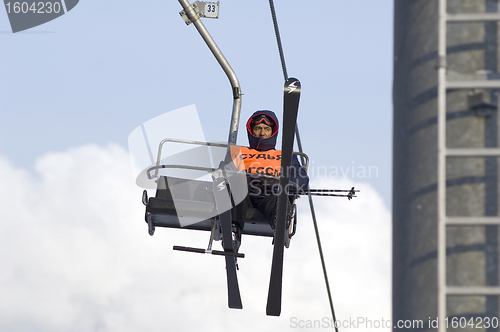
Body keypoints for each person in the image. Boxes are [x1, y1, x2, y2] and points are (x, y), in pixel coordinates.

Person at [228, 110, 309, 251]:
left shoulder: (284, 155)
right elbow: (224, 173)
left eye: (266, 129)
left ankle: (280, 219)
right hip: (245, 196)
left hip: (269, 196)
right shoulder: (239, 152)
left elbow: (300, 178)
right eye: (258, 128)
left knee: (279, 193)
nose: (262, 133)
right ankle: (233, 232)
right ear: (251, 130)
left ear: (273, 132)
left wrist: (288, 186)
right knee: (237, 186)